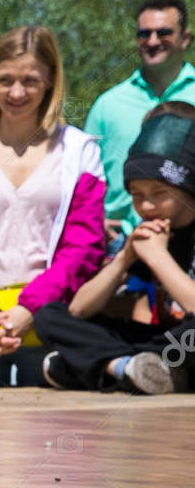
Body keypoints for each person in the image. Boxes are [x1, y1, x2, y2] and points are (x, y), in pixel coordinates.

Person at [0, 26, 105, 387]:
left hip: (50, 326)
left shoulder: (80, 152)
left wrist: (29, 309)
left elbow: (84, 247)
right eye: (5, 79)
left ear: (50, 82)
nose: (16, 92)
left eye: (29, 80)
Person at [33, 103, 195, 393]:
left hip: (187, 343)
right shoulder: (150, 233)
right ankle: (126, 368)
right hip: (163, 345)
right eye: (137, 195)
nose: (146, 206)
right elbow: (80, 309)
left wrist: (158, 257)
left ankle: (96, 368)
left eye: (160, 194)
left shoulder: (163, 242)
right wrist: (124, 258)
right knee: (50, 315)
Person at [85, 0, 195, 244]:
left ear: (185, 38)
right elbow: (86, 179)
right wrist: (94, 221)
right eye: (144, 34)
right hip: (118, 242)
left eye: (164, 32)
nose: (153, 41)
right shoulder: (107, 104)